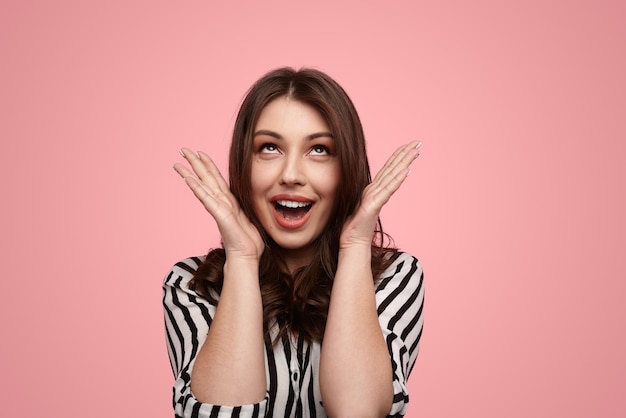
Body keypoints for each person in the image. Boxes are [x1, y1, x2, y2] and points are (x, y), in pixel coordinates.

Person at [163, 67, 424, 418]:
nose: (290, 175)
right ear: (244, 163)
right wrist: (241, 258)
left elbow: (358, 411)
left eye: (319, 150)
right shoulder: (190, 284)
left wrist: (356, 246)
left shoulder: (395, 276)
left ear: (346, 166)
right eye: (269, 148)